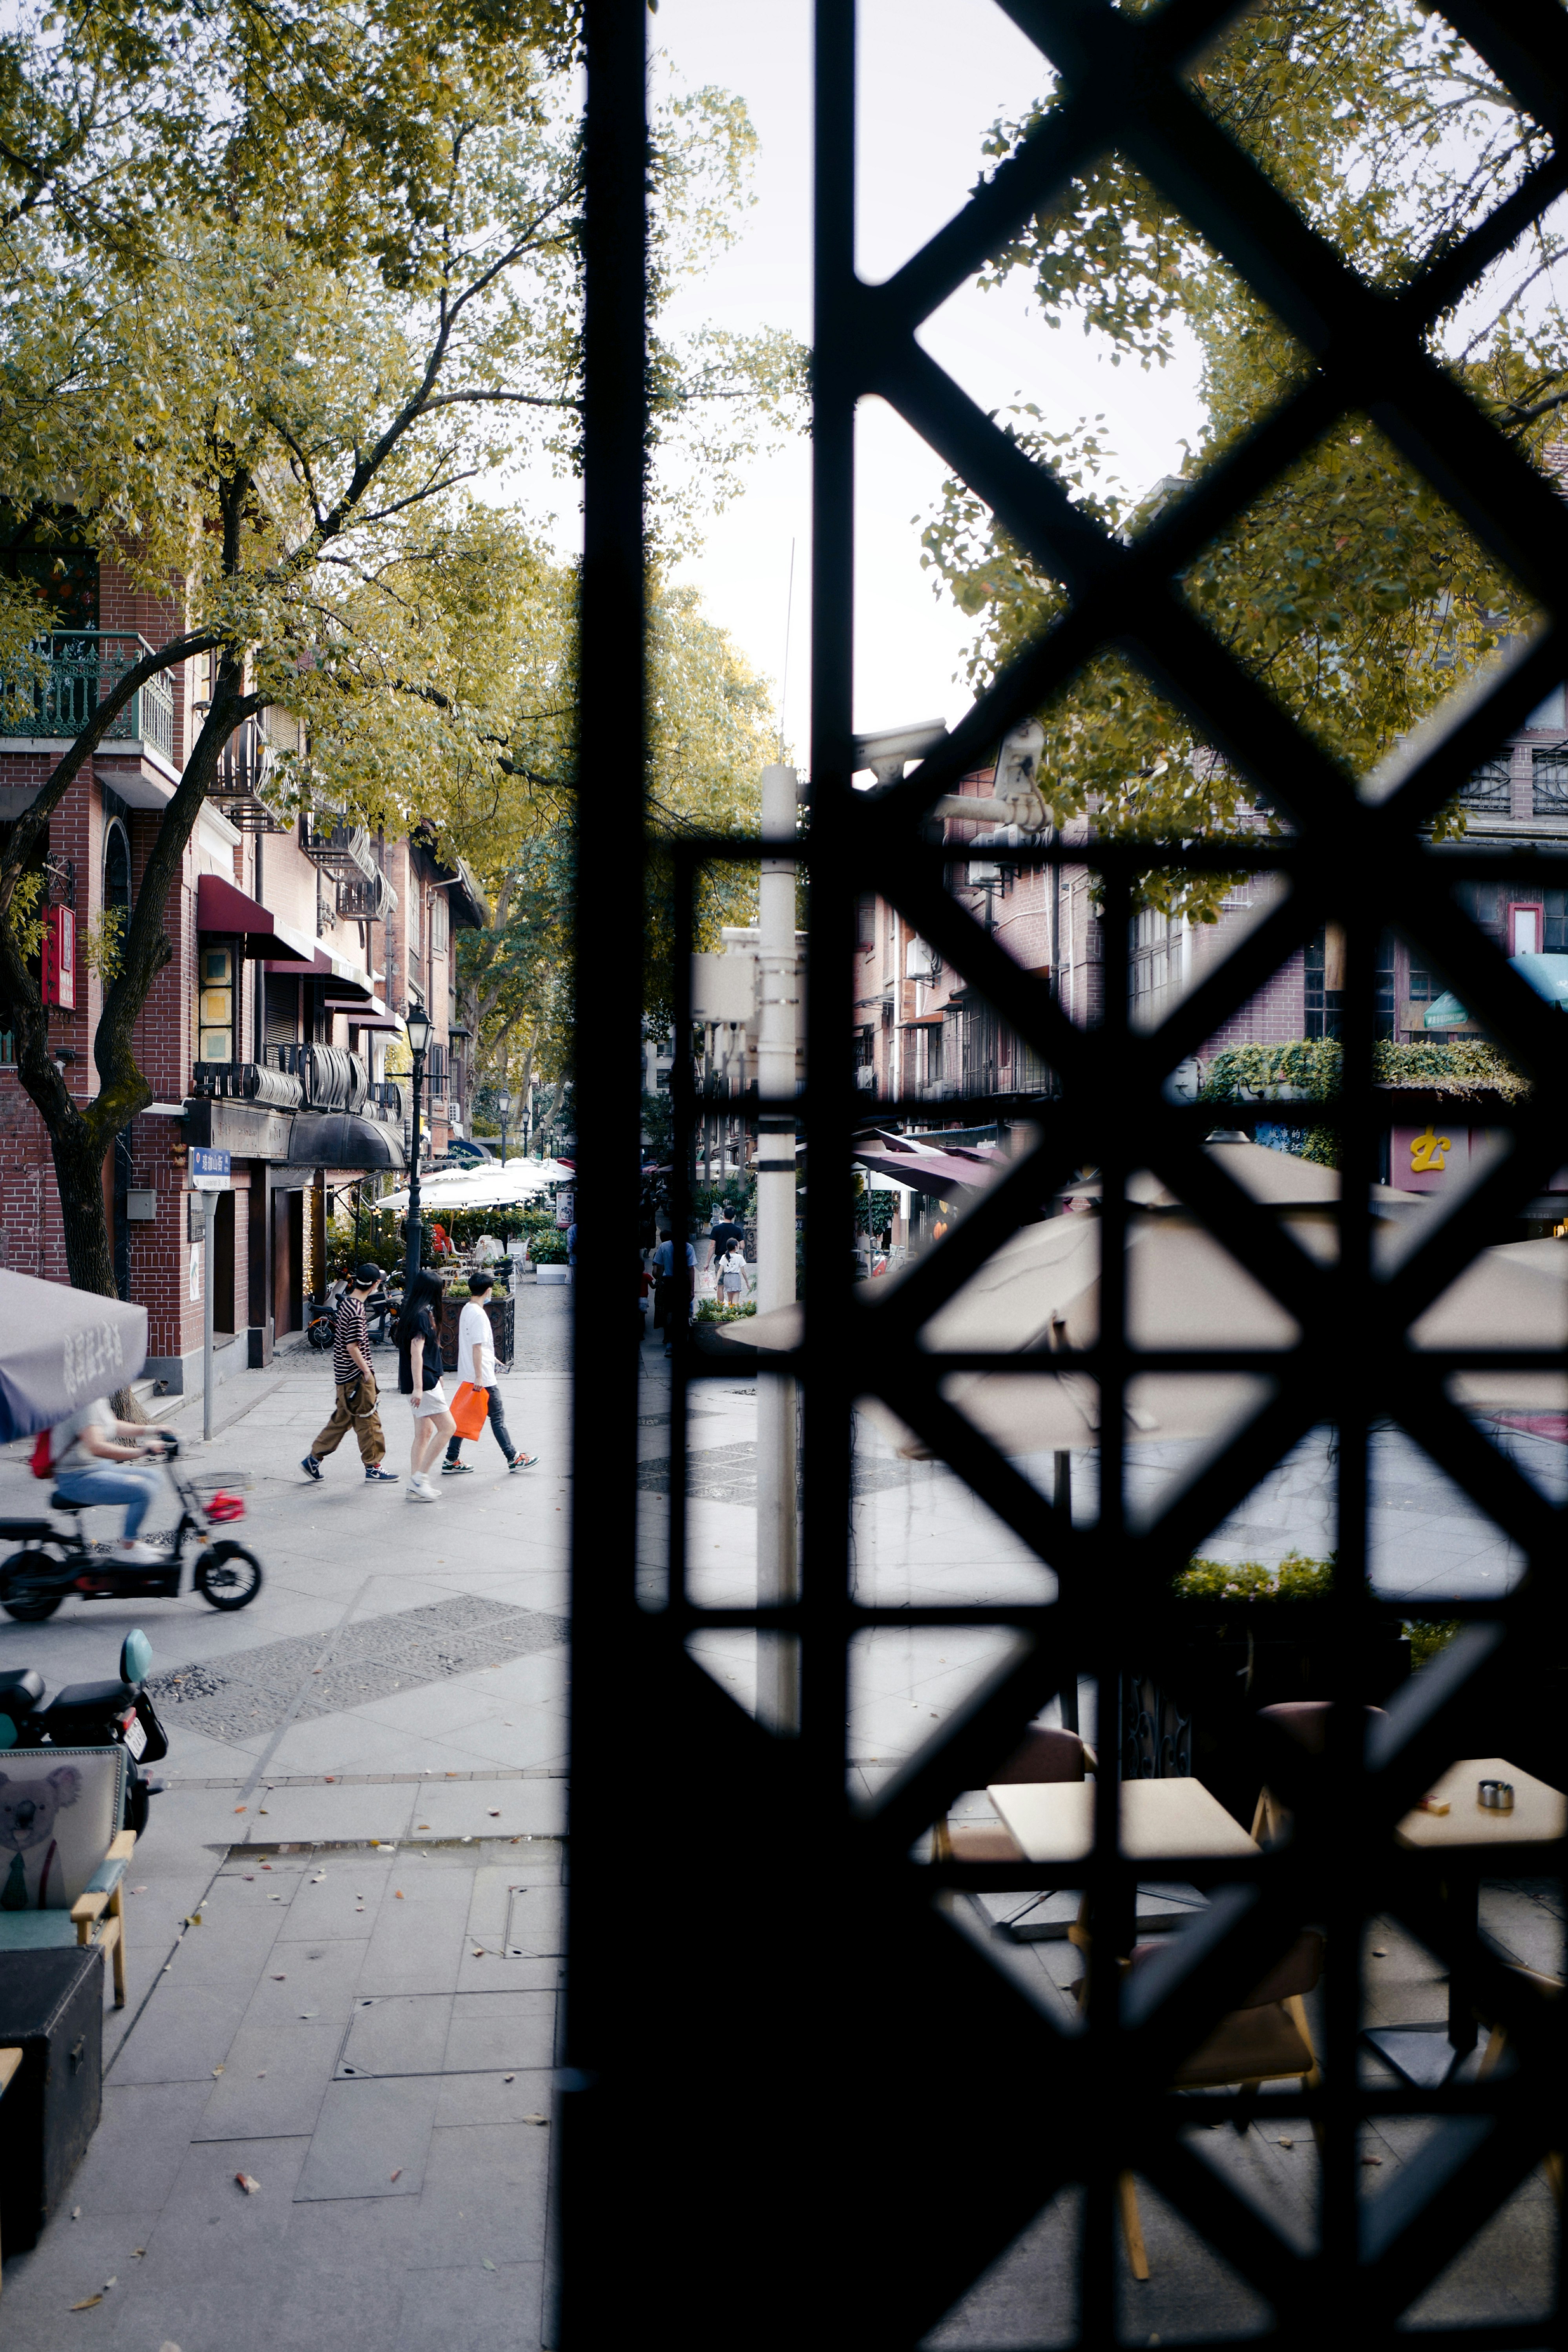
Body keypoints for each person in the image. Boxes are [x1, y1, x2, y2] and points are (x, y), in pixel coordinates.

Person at [301, 1263, 399, 1485]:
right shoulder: (356, 1310)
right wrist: (366, 1373)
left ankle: (313, 1460)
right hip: (356, 1378)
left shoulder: (347, 1304)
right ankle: (374, 1467)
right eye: (379, 1282)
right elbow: (352, 1346)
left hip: (344, 1377)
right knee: (369, 1421)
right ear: (375, 1285)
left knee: (342, 1420)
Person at [47, 1399, 172, 1563]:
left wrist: (155, 1429)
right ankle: (128, 1548)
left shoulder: (95, 1399)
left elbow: (112, 1426)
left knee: (154, 1478)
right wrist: (143, 1451)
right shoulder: (82, 1402)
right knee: (143, 1490)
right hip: (76, 1478)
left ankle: (130, 1543)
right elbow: (96, 1447)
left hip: (96, 1468)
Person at [442, 1270, 537, 1476]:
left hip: (473, 1372)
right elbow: (477, 1346)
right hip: (482, 1377)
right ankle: (513, 1457)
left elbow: (477, 1346)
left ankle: (451, 1459)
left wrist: (493, 1360)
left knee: (462, 1417)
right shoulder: (479, 1314)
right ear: (488, 1291)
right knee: (497, 1417)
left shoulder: (467, 1309)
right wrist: (479, 1376)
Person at [394, 1269, 455, 1502]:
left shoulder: (414, 1311)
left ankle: (415, 1483)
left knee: (424, 1433)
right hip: (424, 1382)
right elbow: (416, 1352)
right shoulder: (421, 1315)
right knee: (448, 1428)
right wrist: (420, 1388)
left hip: (423, 1380)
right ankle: (420, 1478)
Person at [651, 1226, 696, 1357]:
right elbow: (691, 1269)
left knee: (669, 1313)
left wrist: (660, 1284)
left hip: (669, 1282)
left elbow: (658, 1267)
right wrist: (692, 1289)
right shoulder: (689, 1247)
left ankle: (670, 1344)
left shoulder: (664, 1246)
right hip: (683, 1282)